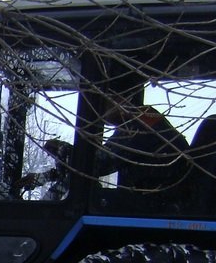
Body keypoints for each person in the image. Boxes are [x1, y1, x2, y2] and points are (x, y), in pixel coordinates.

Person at [45, 79, 190, 193]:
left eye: (103, 104)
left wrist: (60, 148)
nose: (99, 114)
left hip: (155, 202)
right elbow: (94, 163)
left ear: (120, 99)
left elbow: (95, 165)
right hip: (152, 199)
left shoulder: (140, 125)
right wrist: (46, 177)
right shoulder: (137, 122)